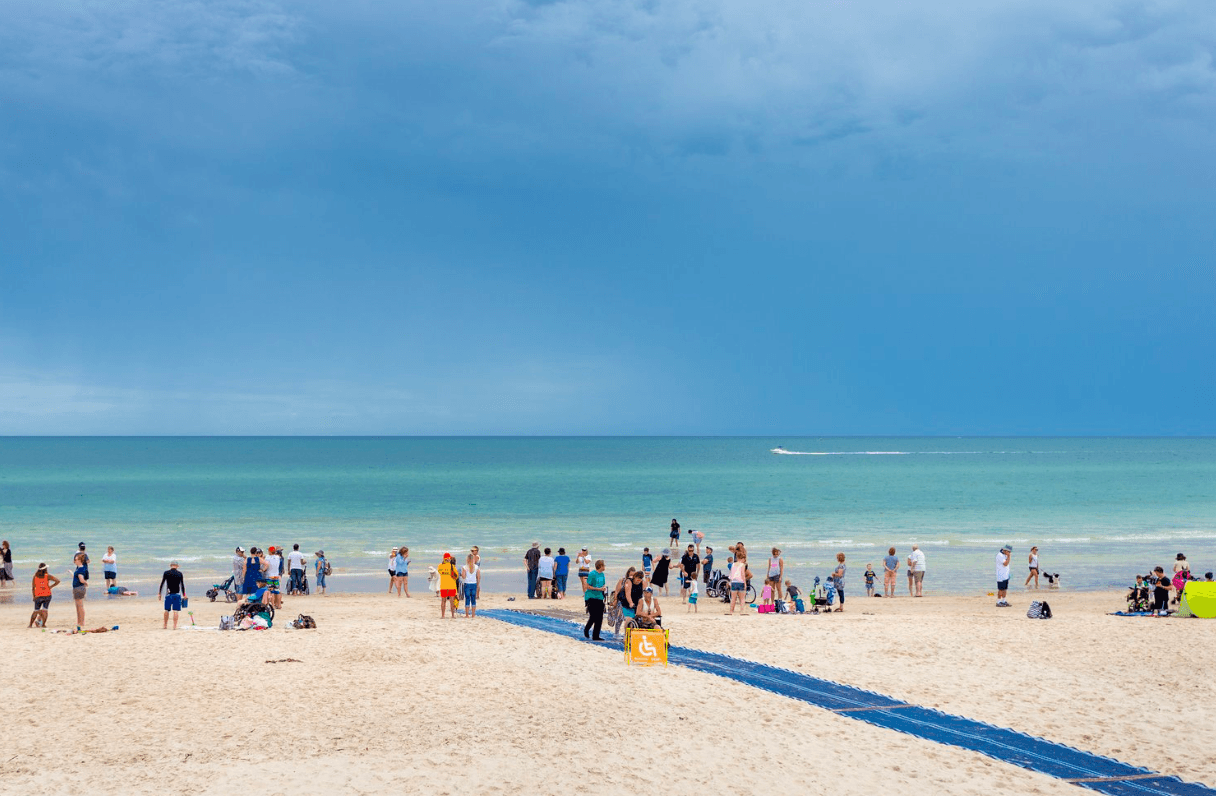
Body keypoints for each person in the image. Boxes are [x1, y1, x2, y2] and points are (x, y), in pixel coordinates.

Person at [29, 563, 59, 627]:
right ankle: (43, 625)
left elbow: (33, 588)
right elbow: (57, 581)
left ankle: (30, 625)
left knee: (35, 611)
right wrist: (50, 587)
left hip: (38, 596)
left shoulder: (35, 576)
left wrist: (34, 596)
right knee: (45, 610)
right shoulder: (47, 576)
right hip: (47, 595)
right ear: (45, 569)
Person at [159, 561, 187, 629]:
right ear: (177, 566)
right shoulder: (179, 573)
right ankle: (174, 626)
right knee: (175, 611)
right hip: (177, 595)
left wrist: (159, 593)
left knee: (166, 610)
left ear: (170, 565)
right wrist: (184, 594)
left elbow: (162, 583)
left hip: (168, 594)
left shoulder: (166, 573)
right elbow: (182, 585)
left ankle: (165, 625)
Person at [583, 559, 606, 639]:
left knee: (600, 617)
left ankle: (596, 635)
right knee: (593, 616)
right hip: (591, 597)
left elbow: (603, 584)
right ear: (600, 566)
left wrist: (603, 588)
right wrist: (598, 589)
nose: (605, 567)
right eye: (604, 565)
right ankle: (586, 629)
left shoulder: (602, 574)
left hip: (600, 597)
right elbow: (587, 586)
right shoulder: (592, 574)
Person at [437, 553, 459, 618]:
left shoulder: (440, 566)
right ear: (449, 559)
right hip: (451, 586)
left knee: (443, 601)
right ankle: (452, 615)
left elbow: (439, 572)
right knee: (452, 601)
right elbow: (456, 575)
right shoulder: (452, 566)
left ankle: (443, 615)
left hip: (443, 586)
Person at [71, 552, 88, 629]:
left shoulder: (81, 568)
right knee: (78, 606)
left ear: (80, 560)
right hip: (77, 588)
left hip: (78, 588)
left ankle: (81, 622)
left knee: (80, 606)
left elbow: (81, 579)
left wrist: (85, 582)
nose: (75, 561)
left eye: (76, 560)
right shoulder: (80, 568)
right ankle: (79, 621)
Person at [461, 554, 480, 618]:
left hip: (467, 584)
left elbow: (463, 577)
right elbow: (478, 577)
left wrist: (462, 573)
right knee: (473, 599)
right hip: (474, 583)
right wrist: (478, 584)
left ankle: (467, 615)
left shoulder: (465, 567)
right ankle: (473, 614)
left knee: (467, 599)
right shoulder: (476, 567)